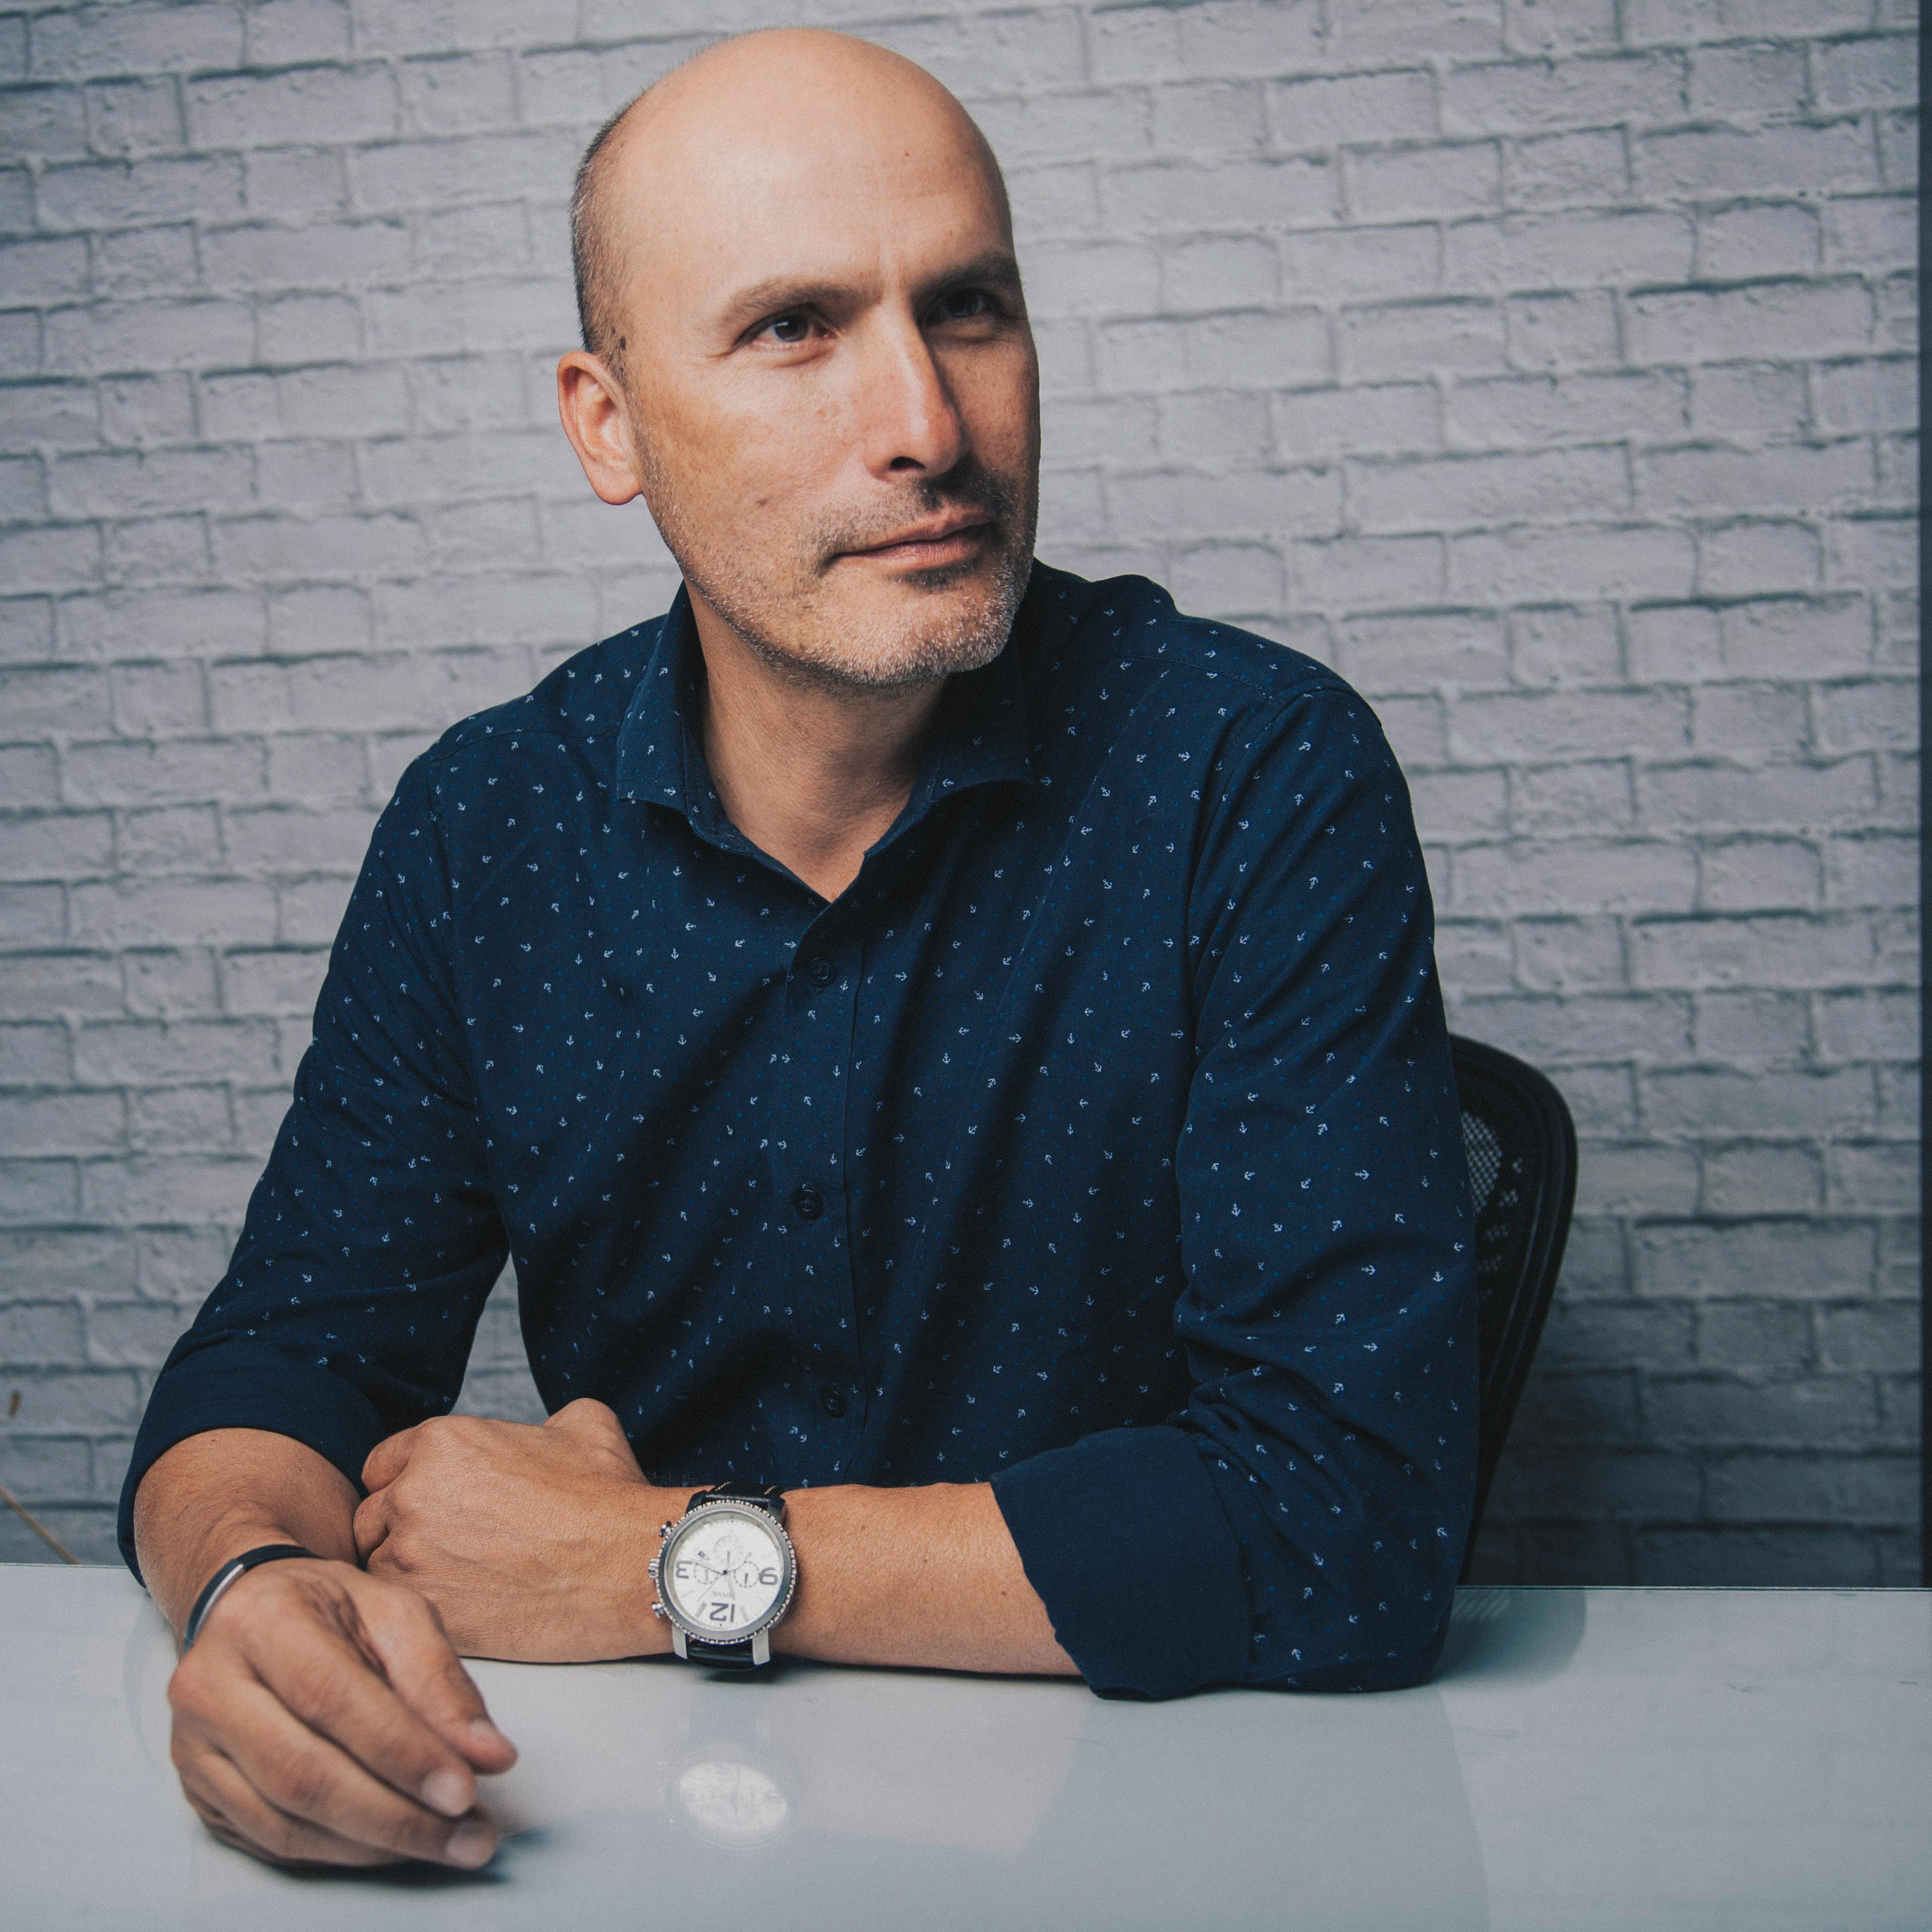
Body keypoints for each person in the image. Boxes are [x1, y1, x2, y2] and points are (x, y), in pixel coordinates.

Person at [122, 28, 1477, 1874]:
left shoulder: (1249, 766)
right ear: (608, 425)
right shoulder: (483, 828)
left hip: (1177, 1839)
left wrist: (660, 1558)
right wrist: (251, 1592)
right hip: (658, 1840)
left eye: (971, 307)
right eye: (794, 329)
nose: (926, 421)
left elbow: (1355, 1523)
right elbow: (289, 1355)